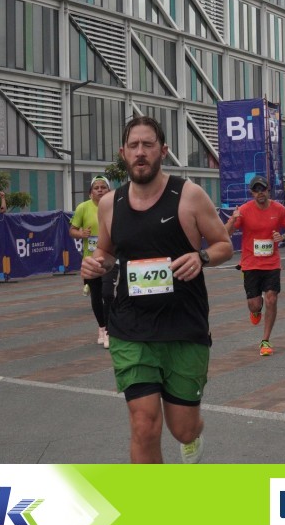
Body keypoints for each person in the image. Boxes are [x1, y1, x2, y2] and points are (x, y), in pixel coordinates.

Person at [80, 116, 233, 464]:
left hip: (184, 326)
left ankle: (193, 435)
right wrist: (96, 263)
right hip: (131, 326)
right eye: (133, 145)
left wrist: (201, 257)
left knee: (183, 428)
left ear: (163, 151)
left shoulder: (189, 195)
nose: (140, 152)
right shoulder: (110, 204)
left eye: (148, 145)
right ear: (123, 153)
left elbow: (224, 245)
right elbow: (106, 251)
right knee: (144, 424)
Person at [225, 176, 285, 356]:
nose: (260, 193)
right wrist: (232, 220)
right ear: (252, 193)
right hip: (250, 263)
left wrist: (283, 237)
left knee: (271, 299)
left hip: (272, 263)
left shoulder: (278, 209)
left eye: (263, 189)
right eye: (256, 190)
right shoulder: (244, 210)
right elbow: (225, 233)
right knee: (254, 304)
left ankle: (265, 340)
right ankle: (256, 311)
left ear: (268, 191)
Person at [70, 176, 118, 348]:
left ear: (109, 191)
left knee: (108, 293)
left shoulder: (115, 206)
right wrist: (81, 234)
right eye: (96, 188)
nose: (100, 190)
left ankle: (109, 331)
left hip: (110, 258)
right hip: (91, 259)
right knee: (96, 295)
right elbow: (72, 230)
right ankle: (102, 327)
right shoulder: (83, 207)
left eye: (103, 187)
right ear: (90, 192)